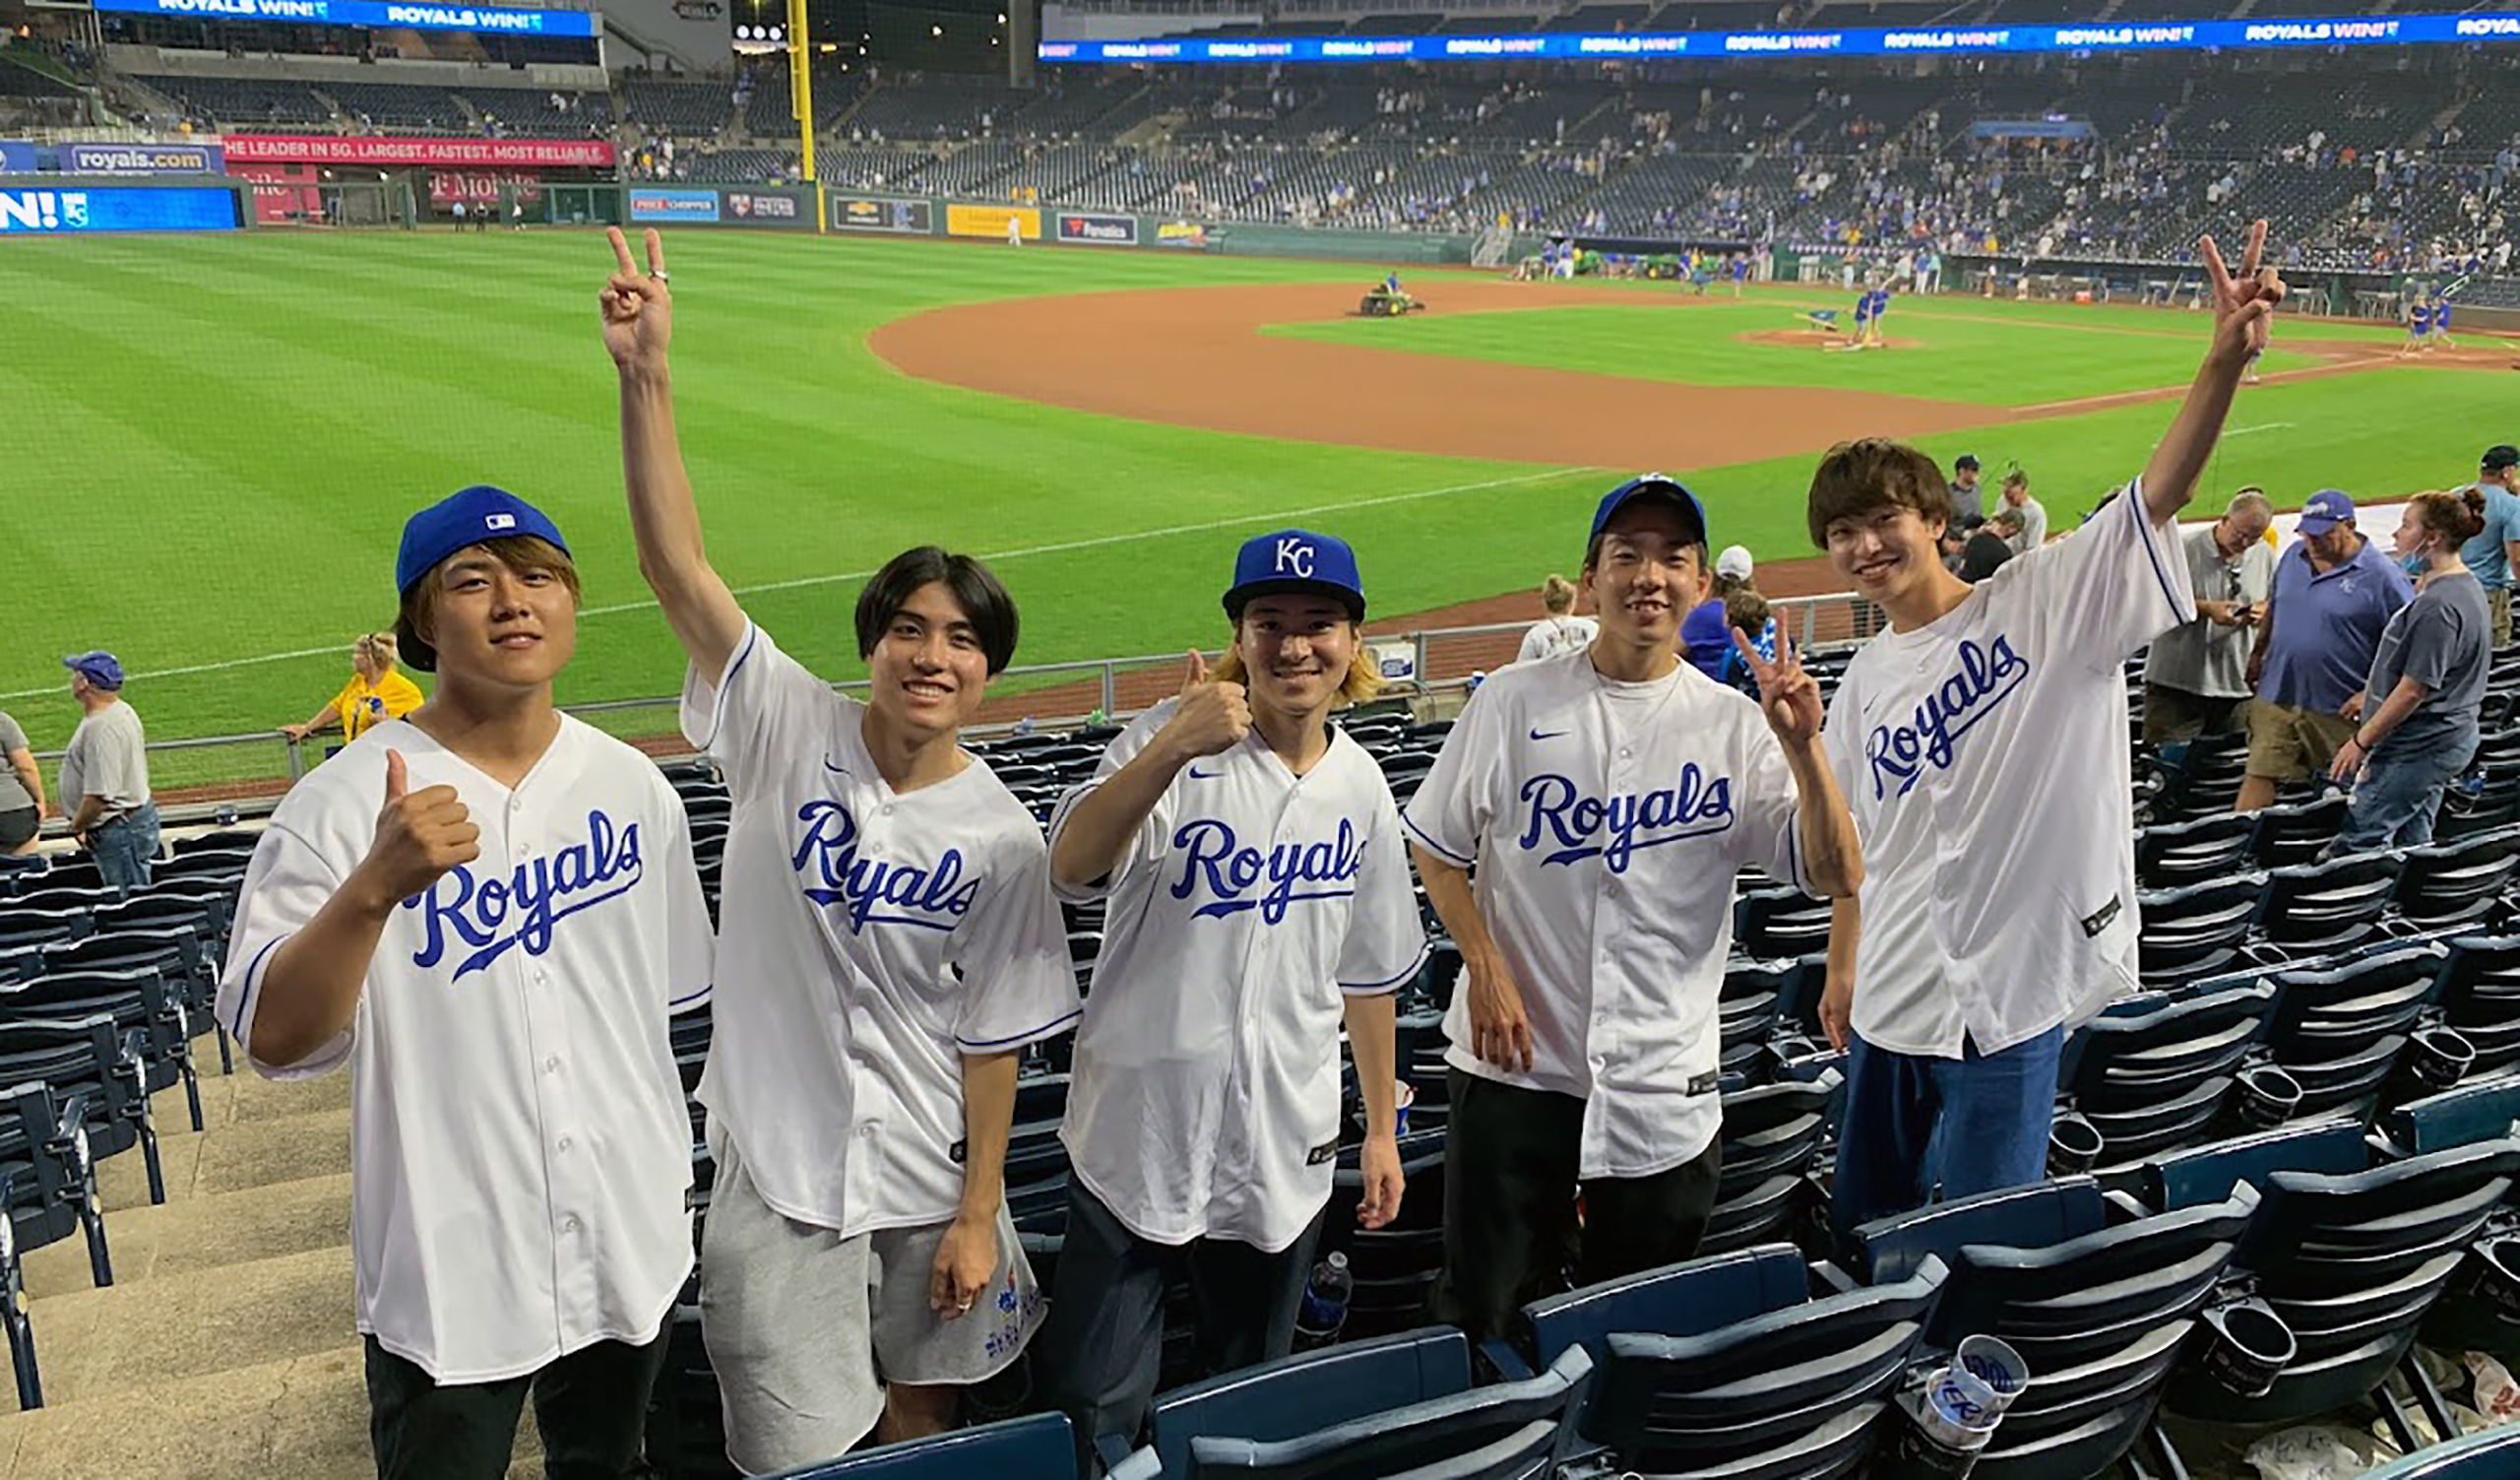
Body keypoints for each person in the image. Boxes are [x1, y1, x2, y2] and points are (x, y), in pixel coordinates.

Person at [599, 227, 1078, 1467]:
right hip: (780, 1178)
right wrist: (645, 377)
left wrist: (981, 1213)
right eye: (910, 629)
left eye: (963, 640)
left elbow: (994, 1038)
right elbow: (674, 566)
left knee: (925, 1429)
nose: (933, 655)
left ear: (986, 672)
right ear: (870, 644)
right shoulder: (779, 724)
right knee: (795, 1454)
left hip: (929, 1175)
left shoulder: (1002, 833)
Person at [214, 484, 713, 1480]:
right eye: (473, 582)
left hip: (629, 1233)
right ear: (421, 625)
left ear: (571, 604)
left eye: (539, 576)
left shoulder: (634, 787)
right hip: (452, 1262)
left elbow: (662, 1007)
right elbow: (272, 1038)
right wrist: (372, 891)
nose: (514, 602)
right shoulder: (340, 803)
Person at [1814, 223, 2287, 1245]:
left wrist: (2220, 363)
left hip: (2013, 990)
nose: (1865, 545)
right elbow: (1861, 850)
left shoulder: (2045, 600)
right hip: (1893, 992)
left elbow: (2157, 495)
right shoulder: (1858, 685)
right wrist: (1840, 960)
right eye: (1842, 534)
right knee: (1867, 1226)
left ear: (1937, 519)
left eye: (1883, 520)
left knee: (1986, 1237)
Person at [1406, 473, 1860, 1341]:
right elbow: (1435, 844)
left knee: (1634, 1325)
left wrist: (1804, 751)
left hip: (1663, 1080)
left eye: (1672, 558)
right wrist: (1484, 962)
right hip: (1518, 1071)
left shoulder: (1734, 725)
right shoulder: (1511, 701)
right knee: (1483, 1313)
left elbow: (1837, 872)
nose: (1649, 575)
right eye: (1627, 556)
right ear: (1591, 578)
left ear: (1699, 584)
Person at [1039, 529, 1424, 1458]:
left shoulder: (1362, 784)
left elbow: (1369, 975)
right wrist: (1168, 746)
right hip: (1137, 1134)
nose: (1295, 646)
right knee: (1094, 1408)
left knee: (1244, 1398)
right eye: (1270, 622)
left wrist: (1378, 1126)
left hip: (1282, 1137)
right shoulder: (1169, 748)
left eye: (1318, 622)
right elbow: (1071, 864)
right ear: (1239, 639)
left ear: (1354, 639)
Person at [2325, 488, 2493, 854]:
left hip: (2420, 745)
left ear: (2432, 538)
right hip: (2444, 740)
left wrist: (2360, 741)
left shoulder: (2438, 606)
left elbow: (2414, 689)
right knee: (2414, 840)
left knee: (2359, 842)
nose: (2396, 535)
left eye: (2406, 526)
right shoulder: (2464, 588)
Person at [2237, 491, 2414, 812]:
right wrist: (2256, 655)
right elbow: (2276, 609)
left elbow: (2411, 647)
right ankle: (2240, 849)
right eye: (2307, 533)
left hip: (2339, 706)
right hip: (2279, 692)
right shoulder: (2293, 557)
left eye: (2323, 534)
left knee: (2348, 787)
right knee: (2260, 772)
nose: (2313, 542)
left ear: (2349, 525)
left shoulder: (2383, 577)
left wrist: (2371, 692)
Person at [2142, 488, 2276, 741]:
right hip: (2177, 686)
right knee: (2167, 768)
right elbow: (2149, 601)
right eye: (2240, 534)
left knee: (2225, 770)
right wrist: (2204, 609)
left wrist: (2265, 609)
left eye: (2254, 538)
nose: (2245, 543)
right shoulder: (2182, 550)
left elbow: (2277, 601)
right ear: (2224, 520)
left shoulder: (2263, 554)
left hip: (2236, 687)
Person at [58, 652, 157, 890]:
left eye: (75, 675)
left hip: (119, 830)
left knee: (129, 902)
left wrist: (78, 825)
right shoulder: (120, 710)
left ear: (84, 684)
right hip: (127, 823)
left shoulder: (102, 728)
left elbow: (100, 795)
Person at [283, 632, 425, 750]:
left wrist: (386, 724)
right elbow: (338, 705)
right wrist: (307, 727)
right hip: (356, 756)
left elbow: (414, 729)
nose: (353, 658)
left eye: (357, 653)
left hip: (385, 759)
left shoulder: (404, 690)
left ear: (371, 658)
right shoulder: (359, 681)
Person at [2456, 444, 2520, 649]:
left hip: (2447, 588)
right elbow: (2517, 559)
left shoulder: (2454, 496)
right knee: (2490, 657)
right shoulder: (2511, 506)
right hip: (2486, 594)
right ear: (2507, 472)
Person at [1678, 545, 1756, 680]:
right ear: (1749, 580)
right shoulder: (1758, 617)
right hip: (1747, 692)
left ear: (1715, 578)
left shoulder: (1699, 616)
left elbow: (1673, 652)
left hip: (1703, 691)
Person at [1516, 574, 1597, 664]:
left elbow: (1521, 669)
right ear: (1572, 603)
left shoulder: (1536, 634)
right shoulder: (1591, 627)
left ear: (1545, 603)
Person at [0, 708, 42, 855]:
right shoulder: (2, 720)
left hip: (11, 810)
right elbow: (25, 767)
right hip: (12, 810)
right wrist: (40, 800)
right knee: (23, 868)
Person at [1998, 468, 2048, 553]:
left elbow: (2033, 549)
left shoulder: (2036, 513)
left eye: (2012, 497)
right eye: (2006, 494)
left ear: (2024, 491)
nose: (2008, 500)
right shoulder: (2002, 501)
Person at [1959, 512, 2017, 582]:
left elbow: (1963, 564)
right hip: (1984, 590)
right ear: (2012, 529)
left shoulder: (1975, 540)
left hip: (1963, 584)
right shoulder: (2004, 554)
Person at [1949, 455, 1984, 526]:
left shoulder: (1976, 489)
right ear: (1961, 471)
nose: (1977, 473)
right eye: (1974, 469)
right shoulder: (1949, 494)